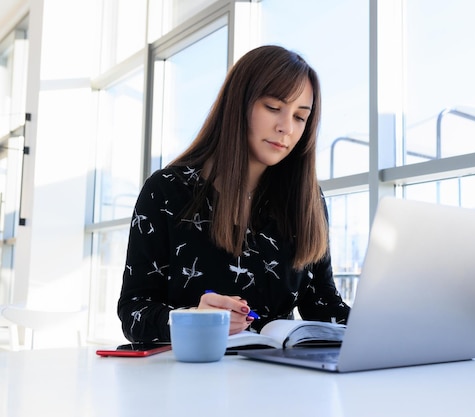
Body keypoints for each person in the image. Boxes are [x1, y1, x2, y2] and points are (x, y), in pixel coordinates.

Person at [118, 45, 351, 342]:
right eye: (273, 107)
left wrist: (396, 323)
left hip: (283, 381)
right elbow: (134, 313)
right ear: (238, 103)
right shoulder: (165, 191)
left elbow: (325, 309)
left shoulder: (306, 200)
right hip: (189, 378)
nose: (286, 128)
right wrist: (192, 319)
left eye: (300, 117)